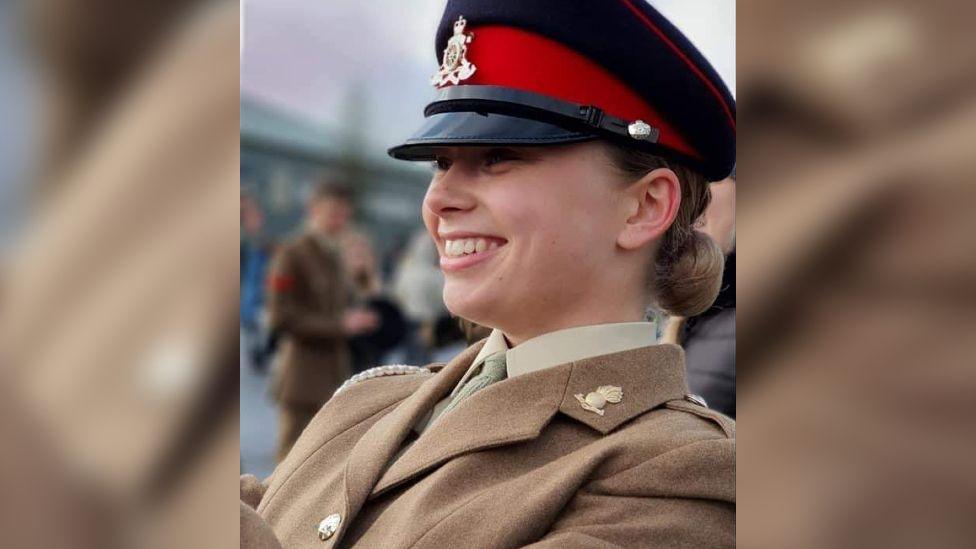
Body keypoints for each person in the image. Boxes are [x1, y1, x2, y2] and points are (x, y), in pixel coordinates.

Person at [241, 1, 735, 547]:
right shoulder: (368, 401)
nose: (439, 198)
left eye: (500, 156)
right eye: (442, 162)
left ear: (643, 207)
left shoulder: (683, 472)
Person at [266, 182, 378, 462]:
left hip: (336, 373)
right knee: (289, 463)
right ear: (313, 210)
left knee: (322, 464)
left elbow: (359, 297)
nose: (339, 221)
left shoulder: (336, 253)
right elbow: (281, 316)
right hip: (302, 376)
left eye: (344, 214)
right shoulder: (293, 253)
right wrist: (340, 325)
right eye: (332, 213)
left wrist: (363, 273)